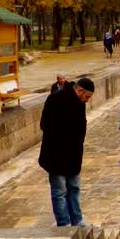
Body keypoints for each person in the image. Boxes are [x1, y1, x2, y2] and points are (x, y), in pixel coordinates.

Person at [39, 76, 94, 227]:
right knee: (60, 190)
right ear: (80, 90)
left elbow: (81, 125)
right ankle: (64, 224)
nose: (87, 100)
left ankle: (77, 220)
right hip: (56, 153)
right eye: (87, 97)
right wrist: (63, 137)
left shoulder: (80, 102)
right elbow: (44, 124)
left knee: (74, 188)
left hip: (73, 154)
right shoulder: (55, 98)